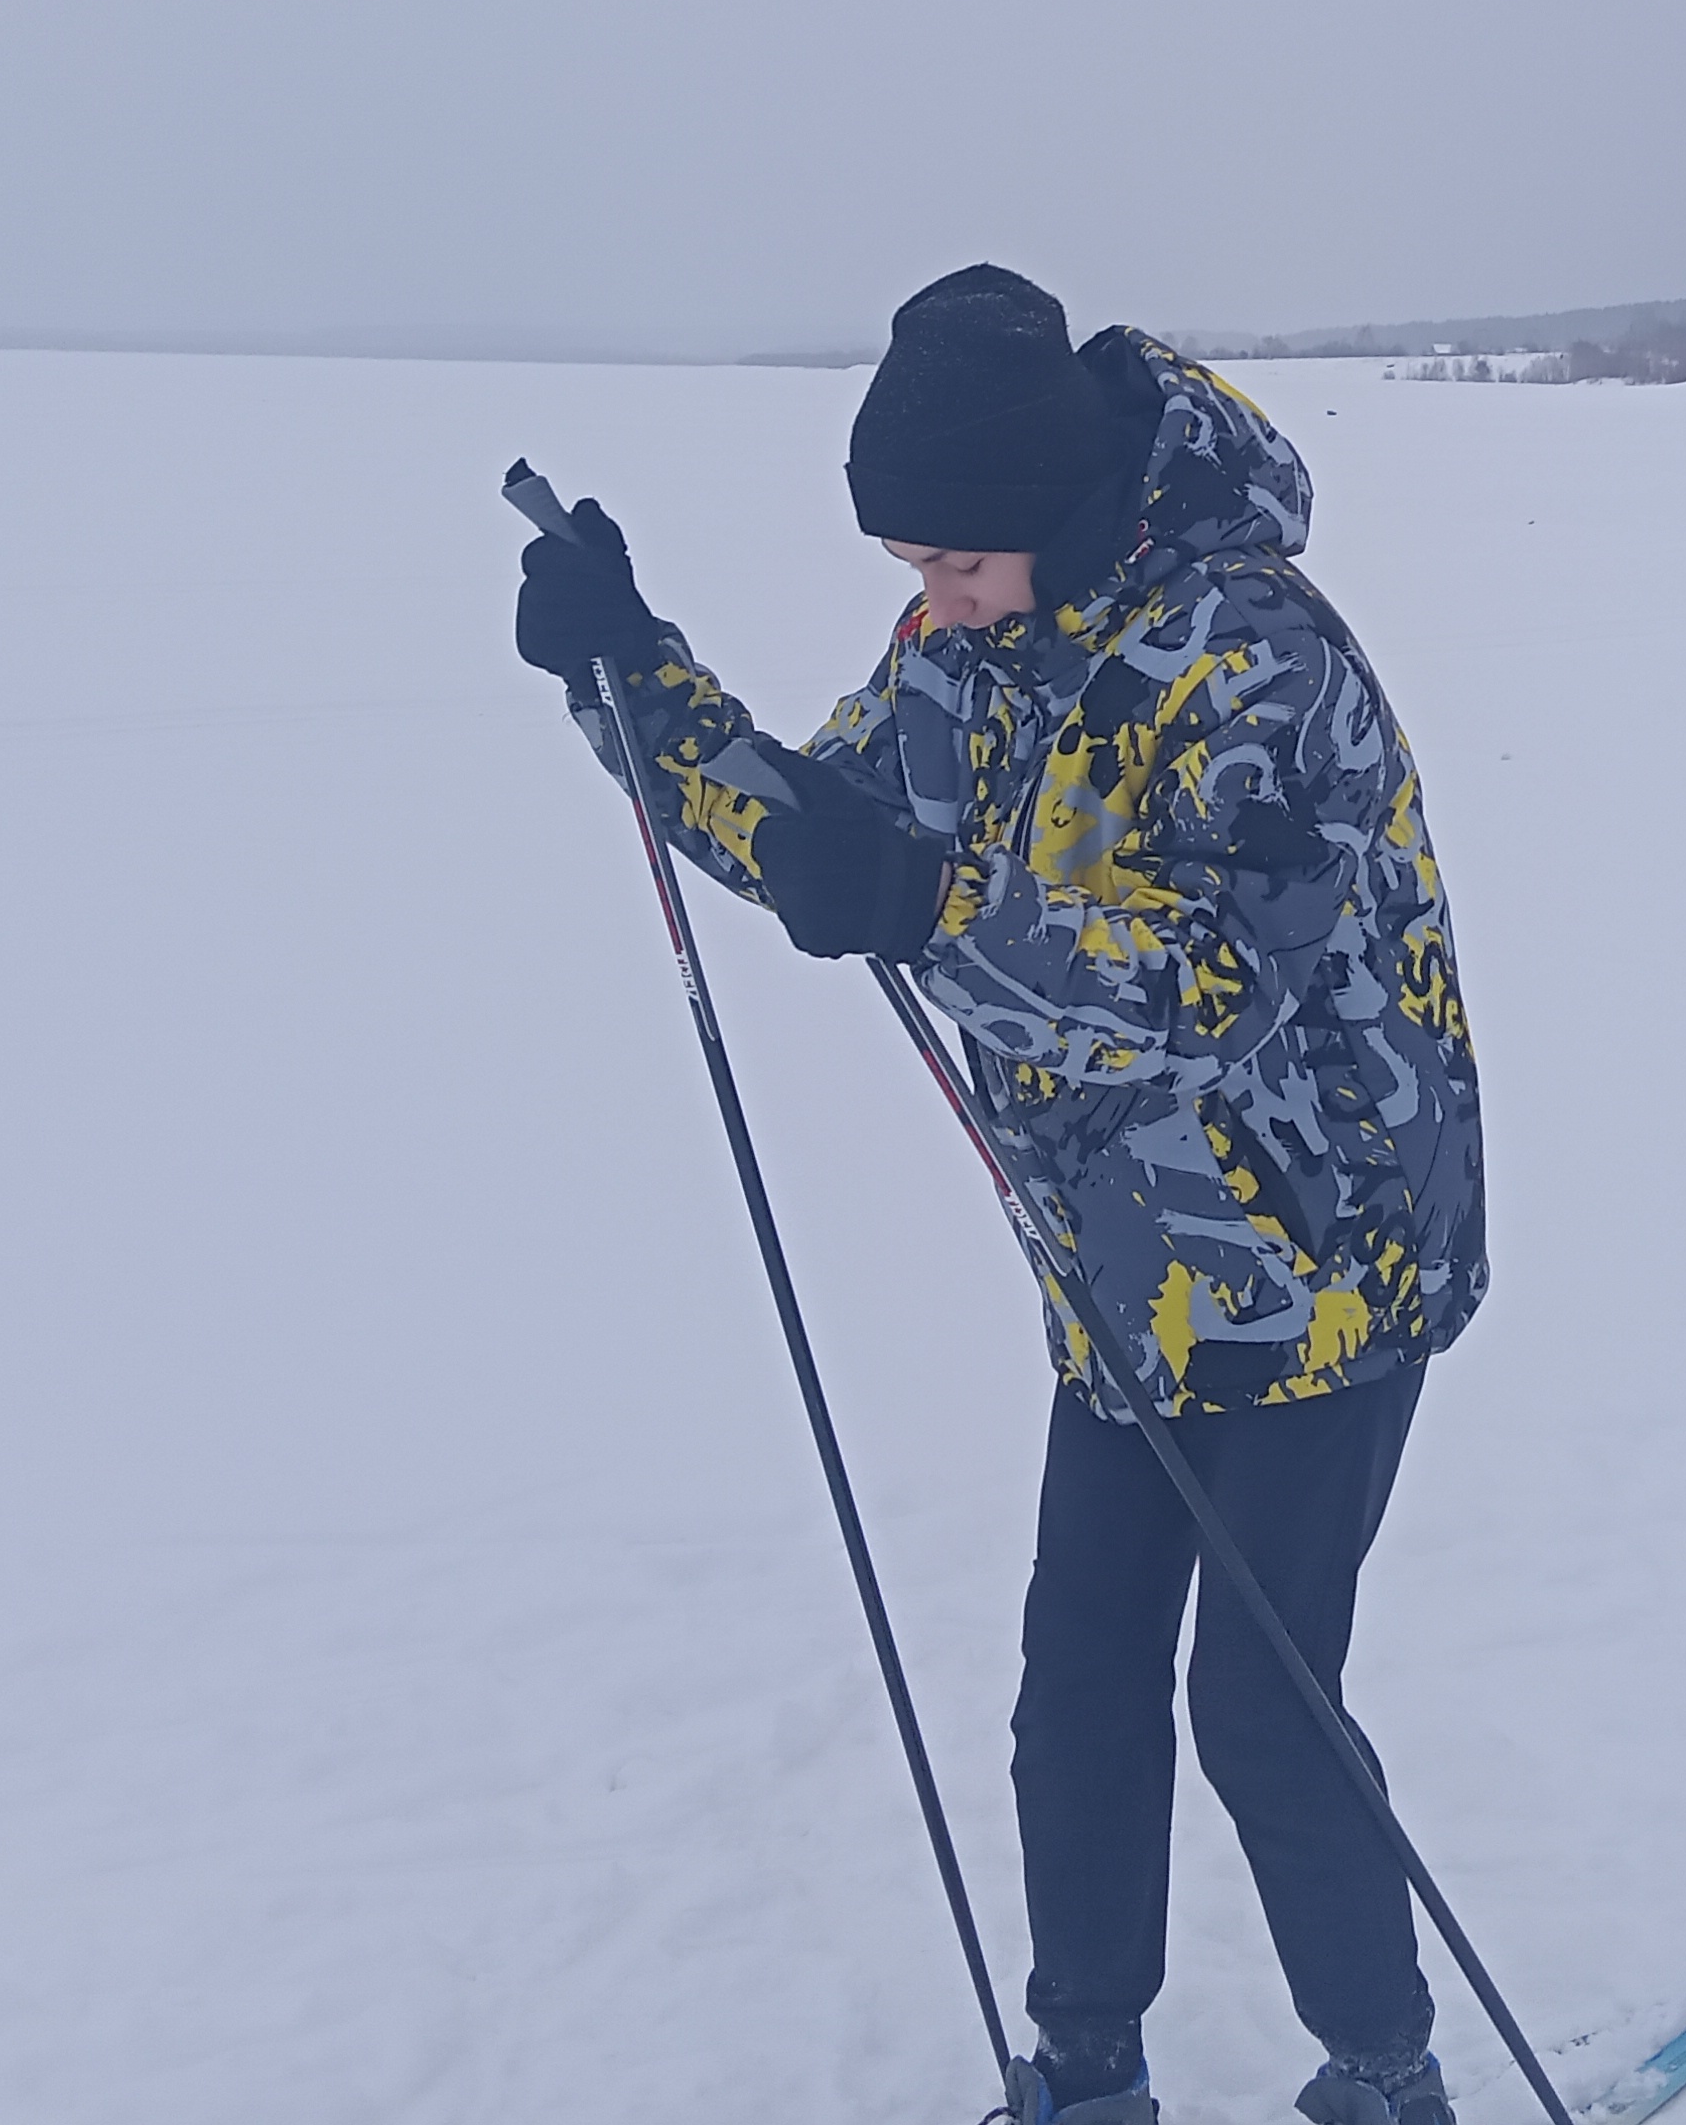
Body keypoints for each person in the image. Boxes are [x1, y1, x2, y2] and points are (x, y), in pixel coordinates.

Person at [514, 263, 1491, 2125]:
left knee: (1264, 1711)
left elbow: (1210, 987)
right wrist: (625, 675)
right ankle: (1088, 2069)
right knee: (1079, 1689)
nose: (931, 593)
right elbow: (824, 841)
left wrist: (932, 907)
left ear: (1055, 510)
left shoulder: (1258, 659)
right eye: (910, 563)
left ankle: (1388, 2075)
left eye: (956, 560)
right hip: (1120, 1266)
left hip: (1329, 1266)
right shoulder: (963, 656)